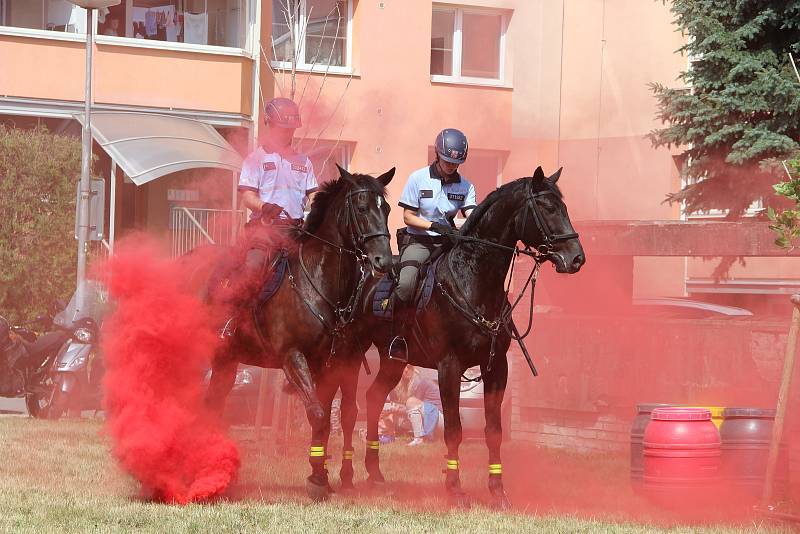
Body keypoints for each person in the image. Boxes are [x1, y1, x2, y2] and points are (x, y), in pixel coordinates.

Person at [218, 97, 318, 337]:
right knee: (252, 267)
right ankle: (230, 320)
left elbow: (314, 195)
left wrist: (315, 212)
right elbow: (248, 197)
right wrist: (264, 206)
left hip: (296, 231)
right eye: (283, 128)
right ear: (269, 126)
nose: (288, 133)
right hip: (264, 230)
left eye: (291, 129)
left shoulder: (304, 162)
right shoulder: (256, 159)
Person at [390, 128, 477, 360]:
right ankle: (398, 338)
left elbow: (471, 215)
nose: (451, 166)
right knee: (407, 283)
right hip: (420, 241)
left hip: (450, 243)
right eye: (448, 161)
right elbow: (408, 216)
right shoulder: (418, 178)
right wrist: (431, 226)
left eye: (456, 163)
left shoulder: (466, 186)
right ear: (438, 155)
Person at [401, 365, 443, 446]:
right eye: (403, 367)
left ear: (414, 369)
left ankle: (418, 439)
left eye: (409, 367)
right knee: (407, 410)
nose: (406, 370)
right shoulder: (409, 383)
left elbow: (410, 406)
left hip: (442, 419)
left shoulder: (419, 382)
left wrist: (394, 409)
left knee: (410, 401)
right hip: (438, 419)